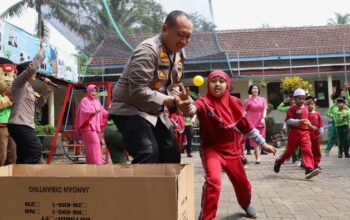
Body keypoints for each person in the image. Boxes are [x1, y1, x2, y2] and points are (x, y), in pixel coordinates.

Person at [188, 70, 276, 219]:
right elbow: (193, 109)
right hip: (211, 149)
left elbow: (247, 127)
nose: (217, 84)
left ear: (227, 84)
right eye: (213, 81)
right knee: (214, 181)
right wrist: (187, 107)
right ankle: (206, 217)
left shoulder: (234, 103)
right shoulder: (203, 102)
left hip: (232, 149)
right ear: (208, 84)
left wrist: (263, 143)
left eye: (221, 81)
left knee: (242, 183)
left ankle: (246, 203)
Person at [109, 10, 193, 164]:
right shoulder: (147, 51)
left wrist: (181, 102)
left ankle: (162, 188)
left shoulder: (178, 54)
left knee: (172, 153)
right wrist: (173, 102)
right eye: (180, 35)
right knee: (148, 152)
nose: (184, 41)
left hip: (155, 112)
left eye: (188, 37)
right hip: (129, 109)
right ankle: (135, 189)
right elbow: (138, 91)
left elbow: (171, 87)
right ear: (165, 29)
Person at [7, 40, 53, 164]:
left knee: (24, 154)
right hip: (19, 124)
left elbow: (40, 104)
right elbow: (31, 68)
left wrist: (46, 88)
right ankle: (24, 177)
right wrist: (42, 51)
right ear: (24, 73)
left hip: (26, 125)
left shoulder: (29, 88)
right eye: (34, 73)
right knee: (35, 151)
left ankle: (19, 180)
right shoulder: (19, 83)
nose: (36, 74)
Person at [274, 88, 320, 179]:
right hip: (294, 132)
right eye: (300, 98)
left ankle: (308, 169)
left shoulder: (306, 108)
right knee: (289, 152)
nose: (302, 100)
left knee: (307, 150)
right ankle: (279, 161)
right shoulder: (292, 108)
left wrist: (311, 126)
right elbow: (288, 120)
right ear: (294, 99)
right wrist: (299, 121)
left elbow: (307, 119)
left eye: (303, 98)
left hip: (305, 132)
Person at [74, 84, 109, 164]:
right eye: (92, 91)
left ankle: (91, 167)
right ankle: (97, 164)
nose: (94, 93)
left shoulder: (97, 102)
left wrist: (112, 112)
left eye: (96, 91)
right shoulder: (84, 100)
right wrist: (93, 112)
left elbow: (104, 113)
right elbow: (83, 112)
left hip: (95, 129)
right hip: (87, 128)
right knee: (95, 144)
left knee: (92, 148)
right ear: (88, 91)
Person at [244, 84, 268, 164]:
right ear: (250, 90)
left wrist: (263, 118)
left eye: (256, 89)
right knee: (255, 140)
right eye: (253, 89)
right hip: (251, 121)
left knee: (261, 138)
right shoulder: (247, 101)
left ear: (258, 90)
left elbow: (264, 109)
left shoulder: (262, 99)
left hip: (261, 121)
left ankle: (257, 153)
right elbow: (245, 111)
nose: (255, 90)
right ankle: (257, 158)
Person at [0, 57, 17, 166]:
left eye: (12, 76)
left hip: (12, 125)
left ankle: (10, 179)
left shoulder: (13, 91)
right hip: (1, 126)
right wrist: (8, 100)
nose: (10, 79)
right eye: (6, 75)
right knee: (1, 155)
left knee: (13, 155)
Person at [305, 96, 324, 169]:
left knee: (317, 150)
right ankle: (308, 164)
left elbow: (321, 123)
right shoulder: (305, 114)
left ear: (314, 105)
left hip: (316, 136)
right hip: (307, 135)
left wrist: (321, 130)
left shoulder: (317, 114)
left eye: (312, 104)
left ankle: (316, 164)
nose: (310, 105)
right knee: (308, 150)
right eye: (308, 104)